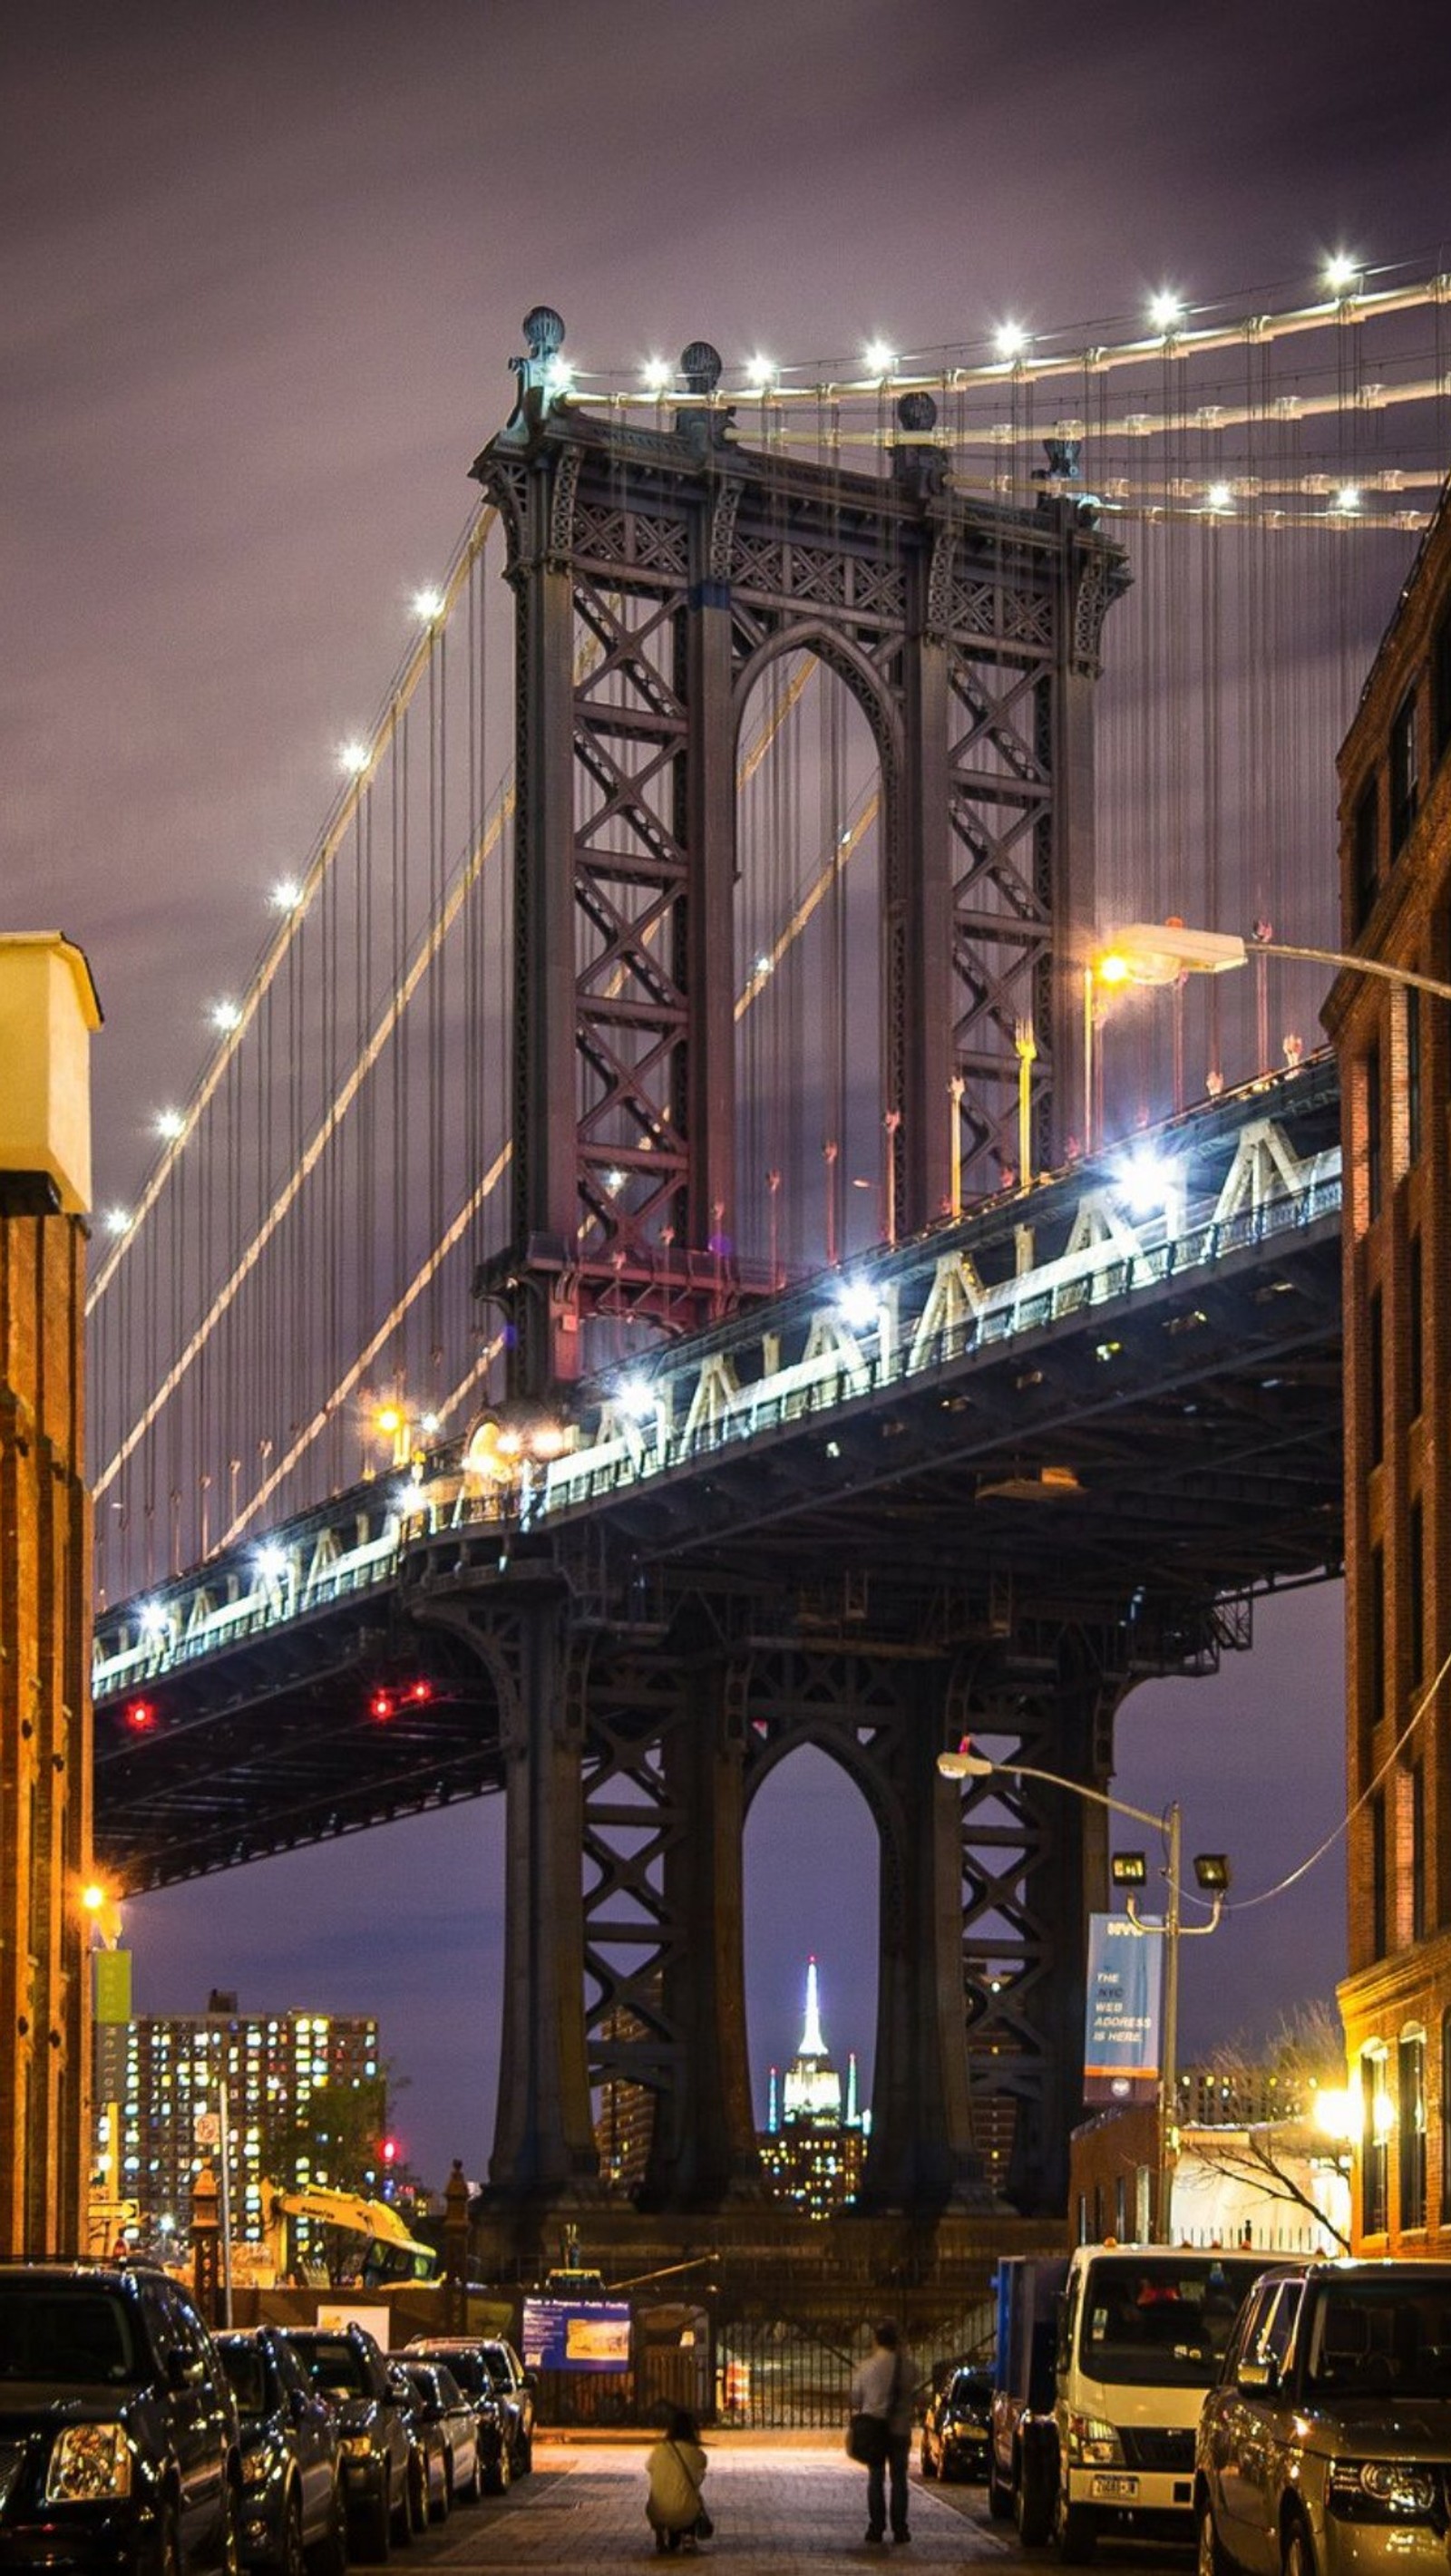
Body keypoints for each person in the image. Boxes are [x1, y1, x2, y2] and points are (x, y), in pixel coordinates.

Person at [850, 2318, 916, 2545]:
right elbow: (912, 2388)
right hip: (899, 2430)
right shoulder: (906, 2367)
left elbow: (855, 2398)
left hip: (875, 2430)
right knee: (899, 2480)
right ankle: (900, 2529)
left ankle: (876, 2528)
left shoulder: (866, 2367)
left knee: (875, 2478)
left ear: (876, 2340)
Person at [645, 2407, 709, 2554]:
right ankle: (688, 2537)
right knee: (694, 2497)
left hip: (657, 2512)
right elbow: (701, 2470)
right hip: (686, 2512)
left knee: (663, 2497)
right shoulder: (696, 2453)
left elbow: (649, 2467)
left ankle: (661, 2536)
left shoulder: (659, 2450)